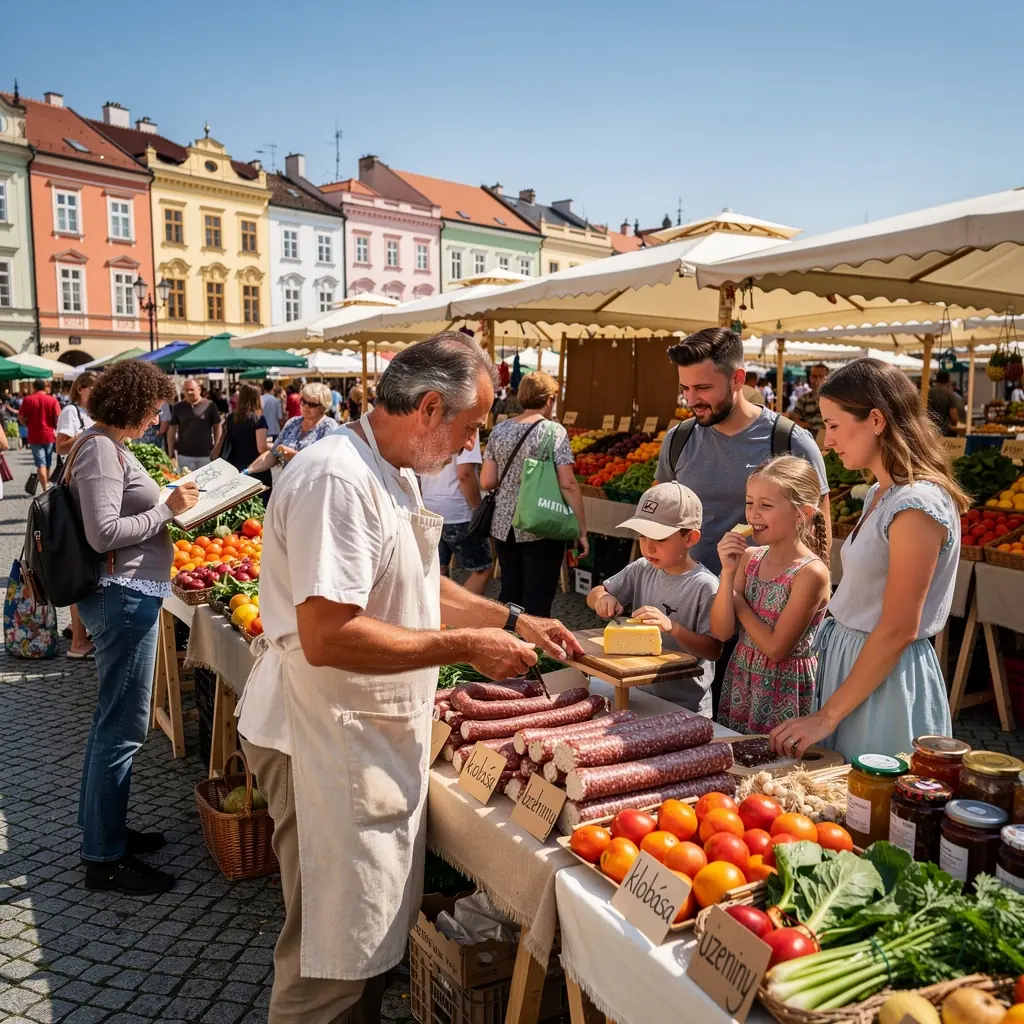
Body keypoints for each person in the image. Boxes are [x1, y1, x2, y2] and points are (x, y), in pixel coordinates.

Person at [235, 331, 581, 1023]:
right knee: (328, 962)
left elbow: (422, 582)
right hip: (320, 738)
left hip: (353, 732)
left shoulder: (386, 469)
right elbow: (328, 635)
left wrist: (512, 620)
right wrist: (467, 645)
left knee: (357, 951)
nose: (472, 445)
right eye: (471, 427)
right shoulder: (338, 478)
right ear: (428, 407)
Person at [769, 359, 969, 762]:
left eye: (834, 425)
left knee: (873, 809)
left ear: (876, 420)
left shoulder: (917, 503)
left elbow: (897, 628)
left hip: (883, 681)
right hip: (857, 672)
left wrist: (826, 717)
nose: (827, 441)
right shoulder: (882, 494)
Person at [67, 360, 200, 894]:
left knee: (114, 724)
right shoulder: (100, 449)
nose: (155, 418)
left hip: (128, 594)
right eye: (151, 409)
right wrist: (166, 510)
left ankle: (104, 829)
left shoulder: (106, 445)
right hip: (122, 596)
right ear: (129, 404)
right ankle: (104, 856)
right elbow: (103, 535)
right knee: (122, 728)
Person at [656, 328, 829, 577]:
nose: (691, 400)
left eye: (703, 388)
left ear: (737, 379)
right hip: (688, 599)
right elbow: (661, 516)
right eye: (686, 388)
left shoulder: (791, 443)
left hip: (764, 606)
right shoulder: (677, 440)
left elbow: (818, 535)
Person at [711, 456, 831, 735]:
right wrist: (727, 572)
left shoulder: (810, 573)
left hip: (785, 689)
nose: (753, 514)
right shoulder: (749, 558)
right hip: (743, 680)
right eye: (749, 502)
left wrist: (737, 601)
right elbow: (720, 631)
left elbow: (777, 649)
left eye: (766, 505)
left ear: (803, 513)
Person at [586, 482, 721, 714]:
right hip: (636, 691)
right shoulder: (642, 568)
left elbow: (713, 650)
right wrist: (602, 599)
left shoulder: (705, 585)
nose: (648, 548)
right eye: (642, 536)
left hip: (685, 707)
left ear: (690, 538)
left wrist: (674, 628)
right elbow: (596, 593)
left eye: (659, 539)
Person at [480, 371, 588, 617]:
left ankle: (507, 644)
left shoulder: (500, 430)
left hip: (504, 526)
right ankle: (535, 650)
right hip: (542, 521)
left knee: (510, 592)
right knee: (538, 597)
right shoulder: (553, 431)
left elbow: (487, 481)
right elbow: (568, 484)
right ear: (549, 399)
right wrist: (581, 529)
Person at [56, 371, 99, 660]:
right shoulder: (71, 412)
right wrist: (87, 434)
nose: (96, 394)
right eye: (92, 389)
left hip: (85, 488)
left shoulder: (91, 412)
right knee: (79, 564)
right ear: (80, 389)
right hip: (73, 492)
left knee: (85, 563)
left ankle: (78, 629)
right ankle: (78, 642)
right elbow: (60, 446)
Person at [421, 431, 492, 596]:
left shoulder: (429, 423)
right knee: (482, 569)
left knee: (438, 569)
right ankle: (460, 613)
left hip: (430, 506)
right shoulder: (468, 428)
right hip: (458, 510)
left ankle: (440, 616)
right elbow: (464, 474)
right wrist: (477, 508)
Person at [246, 382, 338, 475]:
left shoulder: (329, 426)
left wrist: (294, 456)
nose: (305, 406)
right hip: (288, 484)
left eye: (312, 404)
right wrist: (249, 470)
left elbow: (327, 463)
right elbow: (273, 454)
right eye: (303, 401)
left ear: (322, 407)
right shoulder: (293, 422)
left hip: (313, 486)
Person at [212, 383, 273, 494]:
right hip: (256, 469)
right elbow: (261, 447)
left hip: (234, 469)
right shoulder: (258, 419)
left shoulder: (231, 418)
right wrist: (273, 446)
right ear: (256, 398)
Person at [167, 378, 222, 471]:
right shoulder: (178, 407)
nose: (189, 392)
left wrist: (216, 448)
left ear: (199, 390)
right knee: (186, 482)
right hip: (184, 455)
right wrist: (170, 452)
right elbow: (171, 430)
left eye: (191, 389)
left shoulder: (210, 405)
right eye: (186, 390)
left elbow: (217, 427)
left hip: (206, 455)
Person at [20, 378, 61, 490]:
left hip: (34, 435)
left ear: (34, 387)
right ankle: (47, 484)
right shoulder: (52, 400)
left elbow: (21, 417)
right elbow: (58, 417)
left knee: (40, 463)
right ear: (45, 387)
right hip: (49, 435)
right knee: (48, 462)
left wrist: (27, 423)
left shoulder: (28, 399)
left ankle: (45, 487)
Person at [791, 363, 829, 435]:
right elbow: (794, 419)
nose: (817, 379)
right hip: (807, 440)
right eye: (814, 376)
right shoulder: (803, 399)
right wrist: (810, 425)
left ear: (828, 378)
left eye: (821, 376)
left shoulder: (834, 400)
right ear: (810, 378)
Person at [926, 370, 959, 437]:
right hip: (946, 433)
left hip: (929, 431)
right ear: (948, 381)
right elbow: (954, 417)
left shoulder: (927, 392)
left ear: (937, 379)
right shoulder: (950, 394)